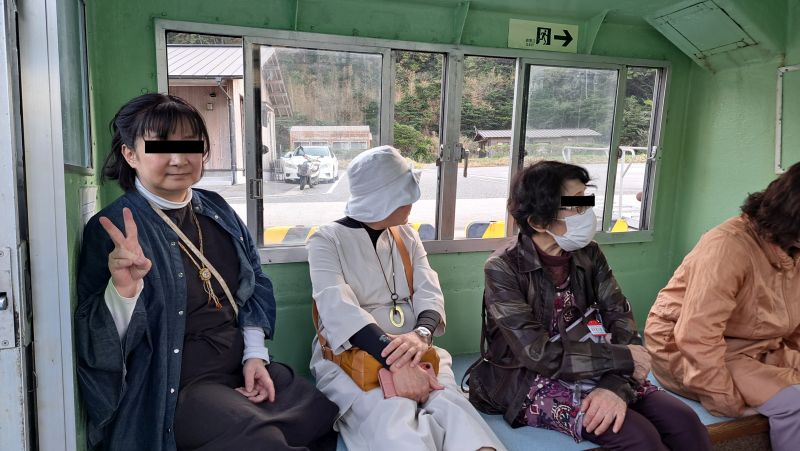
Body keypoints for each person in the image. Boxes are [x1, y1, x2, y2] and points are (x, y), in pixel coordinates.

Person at [74, 93, 338, 451]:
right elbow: (95, 345)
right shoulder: (112, 230)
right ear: (130, 154)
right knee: (263, 440)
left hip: (238, 365)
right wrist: (122, 292)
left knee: (323, 416)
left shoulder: (216, 208)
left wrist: (255, 356)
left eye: (190, 144)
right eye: (160, 146)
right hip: (176, 386)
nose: (179, 159)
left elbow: (255, 282)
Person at [468, 161, 711, 450]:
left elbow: (619, 316)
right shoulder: (502, 268)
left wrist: (614, 385)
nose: (587, 213)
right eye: (575, 205)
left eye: (586, 200)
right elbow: (538, 354)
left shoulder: (589, 253)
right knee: (639, 437)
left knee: (684, 422)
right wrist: (623, 359)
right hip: (530, 380)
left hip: (600, 364)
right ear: (538, 222)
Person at [307, 146, 504, 451]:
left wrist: (421, 335)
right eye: (406, 192)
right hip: (353, 355)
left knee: (451, 406)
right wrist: (397, 362)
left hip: (415, 347)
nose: (413, 200)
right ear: (385, 197)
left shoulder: (406, 235)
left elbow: (429, 290)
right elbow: (337, 309)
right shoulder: (326, 240)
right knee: (391, 415)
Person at [645, 162, 800, 451]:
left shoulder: (793, 248)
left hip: (758, 347)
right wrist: (724, 399)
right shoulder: (727, 245)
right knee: (796, 405)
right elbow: (696, 336)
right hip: (687, 351)